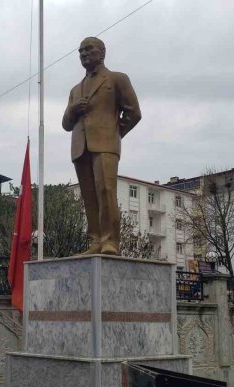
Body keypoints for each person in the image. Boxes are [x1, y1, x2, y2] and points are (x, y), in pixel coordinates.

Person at [62, 36, 142, 255]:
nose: (84, 54)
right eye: (80, 51)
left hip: (106, 144)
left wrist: (115, 133)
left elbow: (134, 112)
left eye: (89, 49)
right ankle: (95, 240)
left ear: (102, 52)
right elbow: (66, 124)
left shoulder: (117, 79)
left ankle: (110, 241)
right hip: (80, 147)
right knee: (89, 197)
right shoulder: (75, 90)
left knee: (106, 191)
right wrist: (73, 109)